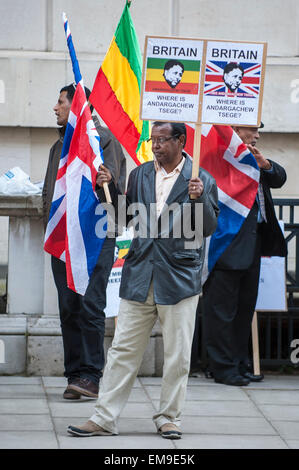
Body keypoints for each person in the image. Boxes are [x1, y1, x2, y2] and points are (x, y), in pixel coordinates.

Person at [67, 121, 219, 439]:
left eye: (163, 140)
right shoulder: (140, 175)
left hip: (180, 277)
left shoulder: (201, 177)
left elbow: (205, 228)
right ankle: (104, 417)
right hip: (140, 274)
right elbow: (124, 219)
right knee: (123, 349)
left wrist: (199, 198)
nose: (156, 145)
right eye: (154, 140)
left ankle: (168, 417)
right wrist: (107, 189)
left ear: (181, 141)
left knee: (177, 353)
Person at [42, 83, 126, 399]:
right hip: (63, 237)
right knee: (68, 307)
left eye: (61, 102)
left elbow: (117, 195)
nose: (56, 108)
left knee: (90, 305)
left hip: (95, 237)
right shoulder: (57, 147)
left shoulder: (103, 141)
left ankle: (91, 374)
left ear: (78, 106)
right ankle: (74, 374)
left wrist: (107, 181)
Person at [202, 123, 287, 386]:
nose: (258, 135)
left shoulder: (254, 158)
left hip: (255, 244)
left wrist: (266, 165)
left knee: (244, 310)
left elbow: (279, 179)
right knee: (221, 310)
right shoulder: (221, 158)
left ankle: (239, 362)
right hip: (227, 244)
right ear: (235, 130)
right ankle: (222, 367)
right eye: (252, 129)